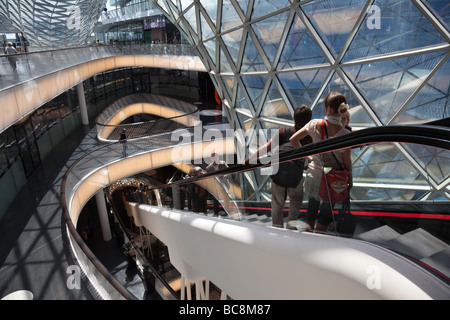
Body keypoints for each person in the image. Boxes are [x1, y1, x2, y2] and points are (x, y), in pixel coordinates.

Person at [290, 92, 353, 233]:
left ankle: (308, 236)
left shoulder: (314, 124)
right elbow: (346, 162)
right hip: (333, 178)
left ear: (328, 108)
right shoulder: (346, 135)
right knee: (325, 213)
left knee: (311, 210)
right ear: (342, 109)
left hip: (315, 175)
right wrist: (350, 178)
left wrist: (308, 157)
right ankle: (319, 237)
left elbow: (293, 140)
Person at [244, 104, 312, 229]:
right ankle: (291, 225)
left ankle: (277, 229)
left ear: (293, 117)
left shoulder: (283, 131)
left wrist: (249, 160)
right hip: (295, 178)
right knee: (296, 200)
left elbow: (267, 148)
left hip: (278, 175)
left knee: (277, 205)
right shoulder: (309, 137)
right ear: (309, 121)